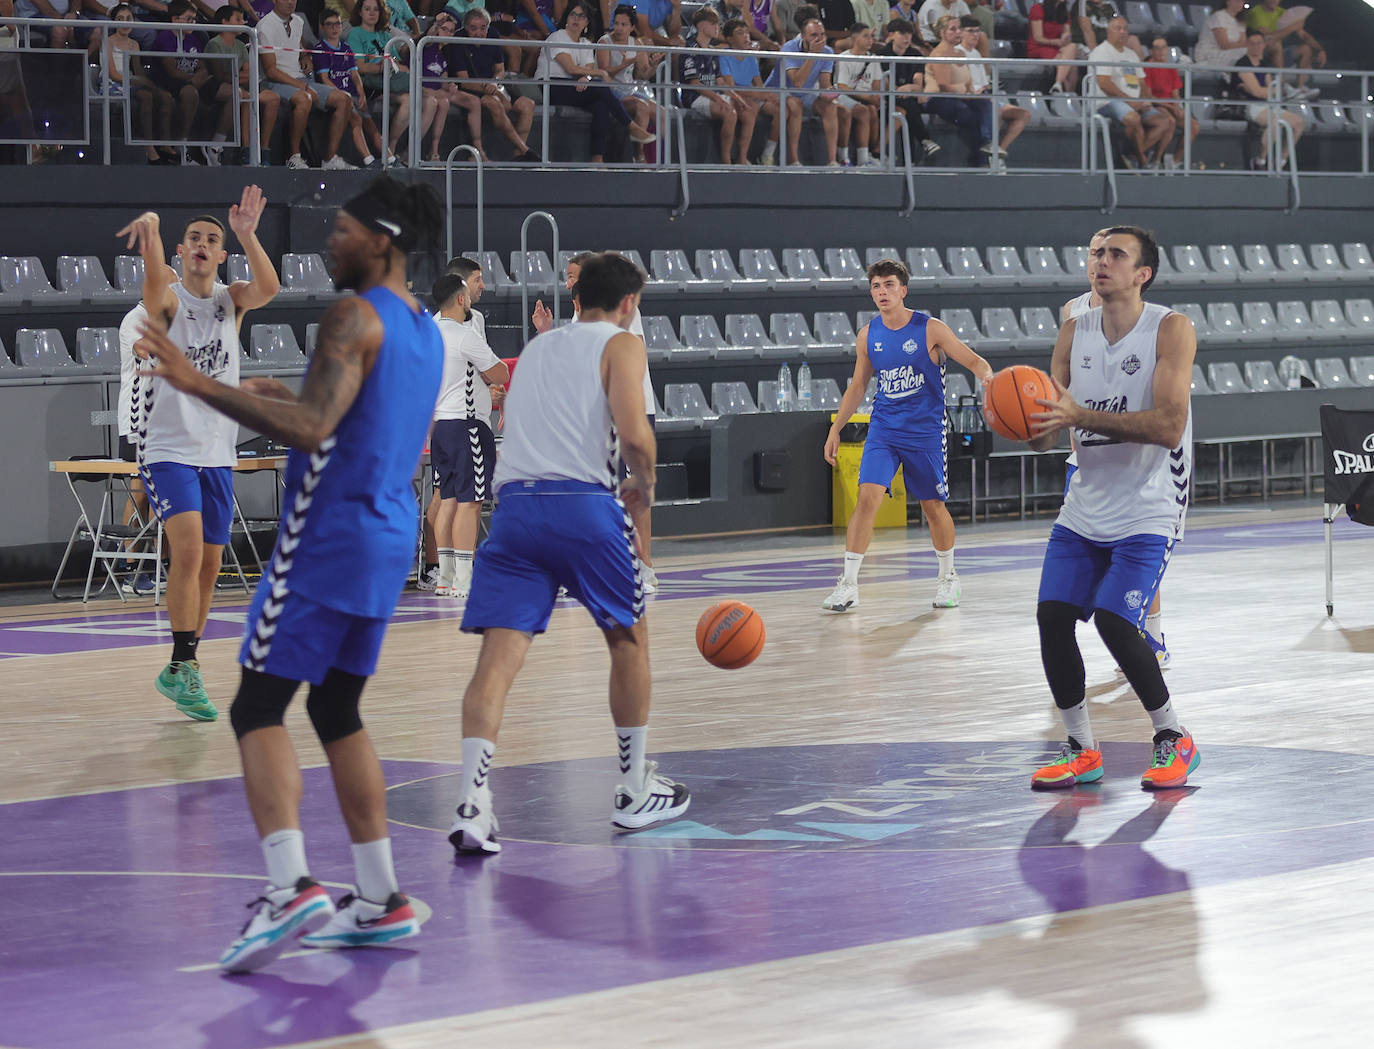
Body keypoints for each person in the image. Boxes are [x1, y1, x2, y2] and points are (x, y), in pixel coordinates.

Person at [137, 177, 443, 971]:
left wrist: (198, 382)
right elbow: (350, 418)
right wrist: (286, 393)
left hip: (327, 537)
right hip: (387, 536)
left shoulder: (352, 314)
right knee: (338, 707)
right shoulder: (423, 326)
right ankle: (379, 897)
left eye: (342, 232)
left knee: (257, 709)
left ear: (382, 240)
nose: (329, 244)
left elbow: (313, 426)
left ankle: (289, 885)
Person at [448, 252, 689, 856]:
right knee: (629, 639)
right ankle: (634, 788)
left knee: (496, 662)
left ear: (576, 298)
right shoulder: (623, 344)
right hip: (582, 505)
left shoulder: (536, 350)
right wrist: (646, 485)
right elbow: (634, 434)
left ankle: (474, 803)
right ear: (629, 304)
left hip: (516, 513)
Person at [1025, 225, 1198, 791]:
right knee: (1052, 617)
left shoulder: (1170, 329)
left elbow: (1170, 426)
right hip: (1087, 503)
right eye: (1095, 253)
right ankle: (1081, 749)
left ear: (1142, 272)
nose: (1101, 261)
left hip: (1151, 503)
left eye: (1115, 254)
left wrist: (1081, 418)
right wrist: (1019, 416)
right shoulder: (1074, 330)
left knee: (1116, 620)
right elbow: (1049, 430)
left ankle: (1173, 737)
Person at [115, 185, 281, 723]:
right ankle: (184, 665)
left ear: (221, 252)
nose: (204, 245)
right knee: (186, 551)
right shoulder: (169, 298)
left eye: (212, 239)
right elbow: (152, 283)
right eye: (195, 239)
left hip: (217, 452)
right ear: (183, 253)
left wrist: (249, 235)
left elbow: (269, 287)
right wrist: (155, 233)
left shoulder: (230, 300)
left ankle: (183, 663)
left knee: (210, 563)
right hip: (168, 448)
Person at [821, 257, 993, 613]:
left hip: (925, 432)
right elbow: (858, 386)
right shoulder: (869, 335)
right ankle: (848, 584)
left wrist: (991, 384)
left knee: (932, 507)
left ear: (903, 289)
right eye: (876, 287)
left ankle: (948, 577)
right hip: (884, 429)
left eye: (888, 285)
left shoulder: (930, 329)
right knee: (867, 498)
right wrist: (835, 428)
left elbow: (976, 362)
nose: (882, 292)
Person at [532, 251, 660, 592]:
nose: (568, 281)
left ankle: (644, 567)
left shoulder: (622, 307)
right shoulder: (578, 317)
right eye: (567, 276)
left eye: (574, 274)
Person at [429, 274, 509, 600]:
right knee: (470, 502)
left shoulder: (428, 334)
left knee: (446, 500)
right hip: (468, 425)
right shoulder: (464, 335)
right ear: (461, 299)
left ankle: (445, 577)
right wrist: (485, 375)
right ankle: (465, 579)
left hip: (441, 426)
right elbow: (500, 371)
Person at [536, 3, 655, 164]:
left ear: (587, 22)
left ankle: (597, 159)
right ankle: (631, 126)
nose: (576, 19)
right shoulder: (558, 36)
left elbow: (586, 70)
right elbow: (571, 68)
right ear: (566, 18)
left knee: (601, 104)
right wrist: (599, 73)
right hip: (551, 85)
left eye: (581, 16)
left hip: (573, 86)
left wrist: (586, 78)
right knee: (600, 85)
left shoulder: (586, 43)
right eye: (573, 14)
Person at [259, 0, 358, 169]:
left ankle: (329, 159)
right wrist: (302, 86)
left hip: (299, 77)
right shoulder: (265, 26)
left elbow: (299, 45)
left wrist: (305, 57)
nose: (291, 2)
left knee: (344, 99)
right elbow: (271, 71)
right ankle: (293, 157)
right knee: (304, 98)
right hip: (273, 82)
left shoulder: (298, 21)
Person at [1086, 16, 1174, 170]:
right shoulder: (1101, 52)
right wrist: (1129, 101)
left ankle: (1131, 156)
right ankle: (1142, 161)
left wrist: (1146, 101)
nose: (1122, 32)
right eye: (1118, 28)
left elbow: (1142, 83)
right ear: (1108, 31)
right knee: (1133, 119)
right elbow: (1104, 83)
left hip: (1133, 102)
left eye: (1125, 29)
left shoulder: (1131, 55)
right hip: (1106, 102)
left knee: (1164, 122)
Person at [453, 6, 541, 162]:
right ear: (466, 28)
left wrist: (494, 84)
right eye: (473, 29)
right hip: (474, 90)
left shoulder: (493, 35)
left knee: (527, 104)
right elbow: (464, 82)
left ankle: (518, 155)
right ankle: (525, 149)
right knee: (494, 103)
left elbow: (500, 69)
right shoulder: (459, 41)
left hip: (493, 86)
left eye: (482, 28)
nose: (478, 33)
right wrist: (493, 91)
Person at [760, 17, 848, 167]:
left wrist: (829, 93)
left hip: (804, 94)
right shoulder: (789, 48)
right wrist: (812, 55)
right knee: (795, 105)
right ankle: (793, 160)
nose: (819, 39)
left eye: (822, 34)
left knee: (831, 107)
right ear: (803, 35)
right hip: (778, 91)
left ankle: (833, 161)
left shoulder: (827, 51)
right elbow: (797, 82)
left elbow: (824, 83)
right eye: (814, 35)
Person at [314, 8, 396, 167]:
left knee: (369, 122)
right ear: (323, 27)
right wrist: (344, 95)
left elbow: (354, 75)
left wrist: (361, 93)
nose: (334, 28)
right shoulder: (319, 49)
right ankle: (368, 159)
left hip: (353, 95)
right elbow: (324, 79)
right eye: (329, 25)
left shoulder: (346, 48)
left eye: (337, 24)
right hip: (337, 97)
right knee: (356, 119)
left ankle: (390, 159)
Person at [349, 0, 426, 164]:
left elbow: (396, 62)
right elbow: (358, 66)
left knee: (411, 99)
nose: (371, 13)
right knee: (415, 88)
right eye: (367, 9)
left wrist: (393, 66)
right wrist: (380, 67)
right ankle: (389, 151)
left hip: (387, 82)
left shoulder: (384, 34)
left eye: (375, 9)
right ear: (360, 12)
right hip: (369, 86)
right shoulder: (355, 33)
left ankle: (391, 146)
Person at [205, 7, 281, 166]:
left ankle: (263, 149)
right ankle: (237, 148)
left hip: (242, 85)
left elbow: (250, 73)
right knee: (243, 95)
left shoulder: (240, 45)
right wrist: (239, 77)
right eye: (238, 20)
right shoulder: (214, 44)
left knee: (273, 98)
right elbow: (220, 76)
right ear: (224, 22)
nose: (243, 23)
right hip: (218, 87)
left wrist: (237, 76)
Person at [682, 8, 753, 166]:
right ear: (701, 26)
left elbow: (720, 81)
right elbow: (694, 84)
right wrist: (718, 99)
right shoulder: (690, 49)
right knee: (729, 112)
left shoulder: (713, 51)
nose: (717, 27)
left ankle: (742, 158)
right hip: (693, 97)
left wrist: (736, 97)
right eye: (713, 24)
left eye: (718, 24)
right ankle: (726, 161)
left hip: (711, 94)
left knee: (743, 109)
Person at [1227, 27, 1305, 171]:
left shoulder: (1264, 64)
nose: (1256, 47)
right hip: (1251, 106)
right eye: (1252, 43)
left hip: (1269, 105)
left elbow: (1272, 90)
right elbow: (1258, 93)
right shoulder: (1243, 64)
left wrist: (1267, 91)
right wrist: (1268, 91)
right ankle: (1260, 160)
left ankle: (1282, 160)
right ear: (1247, 45)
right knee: (1276, 122)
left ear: (1264, 45)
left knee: (1298, 122)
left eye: (1259, 43)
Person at [924, 13, 994, 165]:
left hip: (958, 95)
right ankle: (980, 159)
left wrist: (972, 93)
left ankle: (988, 143)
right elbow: (943, 85)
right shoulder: (939, 54)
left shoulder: (961, 53)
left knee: (984, 103)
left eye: (959, 29)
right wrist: (965, 93)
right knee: (968, 113)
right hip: (938, 98)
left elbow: (967, 82)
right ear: (942, 33)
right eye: (953, 29)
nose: (957, 32)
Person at [956, 15, 1028, 160]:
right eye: (971, 31)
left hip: (984, 95)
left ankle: (998, 154)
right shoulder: (956, 53)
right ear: (961, 32)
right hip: (970, 99)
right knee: (995, 111)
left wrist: (987, 88)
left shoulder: (976, 54)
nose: (975, 35)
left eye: (977, 31)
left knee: (1024, 114)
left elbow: (984, 82)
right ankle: (989, 154)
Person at [598, 4, 661, 163]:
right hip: (610, 91)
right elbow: (604, 71)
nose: (618, 28)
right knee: (642, 106)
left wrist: (653, 66)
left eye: (623, 24)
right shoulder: (604, 42)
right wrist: (624, 63)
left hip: (630, 90)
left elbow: (643, 74)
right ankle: (639, 155)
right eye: (616, 23)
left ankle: (661, 155)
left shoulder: (637, 44)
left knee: (661, 112)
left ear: (632, 27)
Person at [147, 0, 208, 161]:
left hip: (187, 81)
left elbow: (203, 66)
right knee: (190, 93)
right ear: (174, 19)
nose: (193, 23)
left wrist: (197, 78)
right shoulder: (165, 38)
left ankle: (185, 142)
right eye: (188, 19)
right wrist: (192, 79)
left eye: (194, 19)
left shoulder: (194, 39)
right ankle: (179, 143)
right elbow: (172, 72)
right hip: (164, 82)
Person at [875, 17, 940, 162]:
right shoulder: (882, 54)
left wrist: (908, 88)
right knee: (908, 105)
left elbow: (918, 84)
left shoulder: (915, 55)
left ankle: (907, 159)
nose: (907, 37)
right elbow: (884, 85)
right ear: (892, 34)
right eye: (902, 33)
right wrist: (901, 90)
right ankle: (924, 141)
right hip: (887, 97)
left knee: (907, 107)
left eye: (909, 34)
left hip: (907, 98)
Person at [717, 17, 776, 165]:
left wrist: (766, 96)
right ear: (729, 38)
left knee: (781, 108)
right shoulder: (725, 55)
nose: (745, 36)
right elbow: (731, 88)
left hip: (749, 95)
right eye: (739, 33)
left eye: (747, 33)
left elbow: (758, 84)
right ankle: (741, 157)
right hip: (731, 96)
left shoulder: (750, 57)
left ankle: (768, 155)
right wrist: (757, 94)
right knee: (751, 109)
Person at [1246, 0, 1323, 100]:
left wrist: (1320, 50)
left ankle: (1299, 88)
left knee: (1306, 49)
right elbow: (1268, 38)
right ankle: (1283, 87)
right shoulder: (1256, 13)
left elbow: (1303, 34)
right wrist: (1292, 27)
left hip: (1280, 55)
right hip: (1261, 55)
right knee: (1276, 43)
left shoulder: (1283, 12)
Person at [1143, 35, 1199, 172]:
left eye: (1163, 48)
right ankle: (1156, 160)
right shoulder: (1147, 67)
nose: (1161, 51)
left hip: (1170, 104)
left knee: (1193, 126)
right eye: (1157, 48)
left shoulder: (1170, 67)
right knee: (1170, 121)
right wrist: (1171, 106)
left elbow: (1175, 94)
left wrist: (1178, 107)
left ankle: (1174, 161)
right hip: (1156, 105)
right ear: (1151, 51)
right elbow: (1149, 96)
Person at [832, 21, 881, 166]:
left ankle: (871, 154)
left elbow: (876, 85)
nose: (870, 40)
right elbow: (842, 87)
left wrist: (875, 98)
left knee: (873, 111)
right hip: (845, 96)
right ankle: (857, 158)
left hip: (866, 98)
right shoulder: (844, 58)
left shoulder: (874, 59)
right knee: (864, 111)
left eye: (871, 37)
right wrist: (866, 97)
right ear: (854, 39)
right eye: (866, 36)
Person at [1026, 0, 1079, 94]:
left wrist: (1066, 37)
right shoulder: (1038, 9)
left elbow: (1067, 33)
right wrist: (1056, 42)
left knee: (1072, 47)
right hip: (1039, 47)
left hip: (1057, 47)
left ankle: (1058, 86)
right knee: (1070, 63)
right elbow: (1038, 38)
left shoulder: (1064, 11)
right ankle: (1067, 94)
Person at [1192, 0, 1247, 71]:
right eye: (1237, 0)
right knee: (1244, 52)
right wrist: (1247, 45)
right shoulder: (1218, 16)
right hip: (1211, 54)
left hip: (1229, 53)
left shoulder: (1240, 22)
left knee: (1250, 51)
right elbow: (1224, 45)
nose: (1240, 3)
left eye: (1242, 1)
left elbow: (1244, 42)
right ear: (1228, 2)